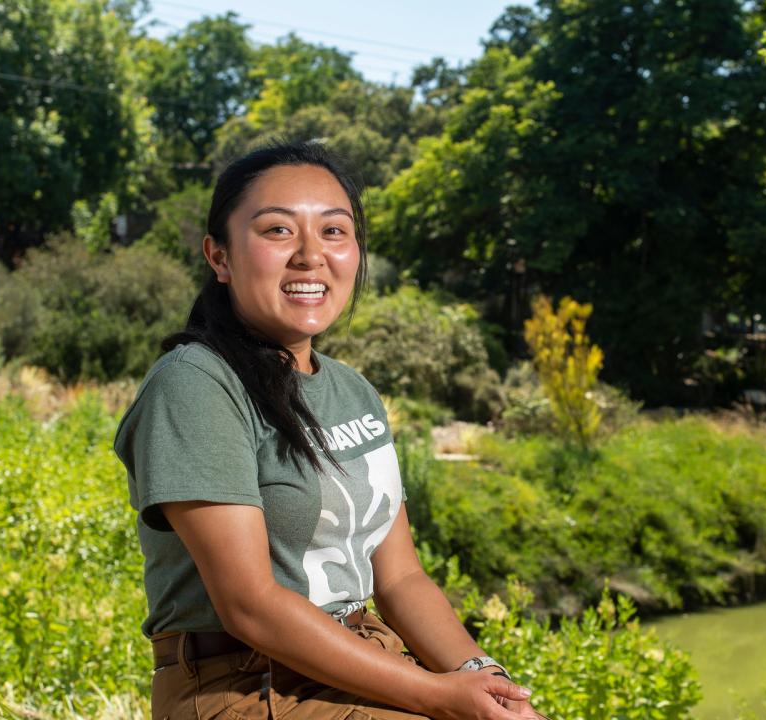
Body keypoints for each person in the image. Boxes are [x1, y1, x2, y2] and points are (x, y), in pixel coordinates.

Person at [113, 141, 544, 720]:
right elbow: (251, 606)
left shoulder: (352, 391)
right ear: (219, 257)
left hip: (358, 663)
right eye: (277, 232)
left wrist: (483, 678)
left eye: (335, 232)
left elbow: (401, 579)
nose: (311, 256)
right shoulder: (195, 386)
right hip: (242, 686)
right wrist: (439, 698)